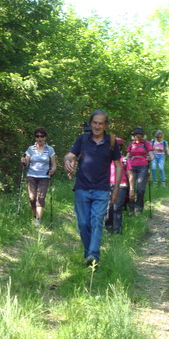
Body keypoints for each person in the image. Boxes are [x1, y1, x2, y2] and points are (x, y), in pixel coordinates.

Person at [64, 110, 122, 268]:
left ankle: (93, 256)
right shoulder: (82, 139)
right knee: (83, 224)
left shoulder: (111, 142)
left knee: (96, 221)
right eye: (95, 122)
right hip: (82, 188)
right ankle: (89, 253)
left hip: (102, 189)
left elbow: (118, 165)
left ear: (106, 125)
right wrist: (67, 162)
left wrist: (116, 189)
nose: (97, 126)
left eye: (100, 123)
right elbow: (70, 155)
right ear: (91, 123)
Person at [21, 127, 57, 227]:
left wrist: (53, 170)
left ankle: (38, 220)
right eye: (37, 136)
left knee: (40, 197)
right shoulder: (30, 149)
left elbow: (54, 164)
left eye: (42, 136)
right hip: (31, 176)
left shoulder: (50, 149)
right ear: (35, 137)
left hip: (44, 176)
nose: (39, 138)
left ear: (45, 137)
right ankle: (35, 216)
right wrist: (24, 161)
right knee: (32, 198)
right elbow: (27, 163)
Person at [125, 126, 154, 215]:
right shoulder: (131, 144)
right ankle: (131, 208)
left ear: (142, 135)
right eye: (136, 134)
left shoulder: (147, 143)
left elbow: (152, 156)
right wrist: (123, 160)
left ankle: (139, 208)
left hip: (143, 167)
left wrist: (149, 158)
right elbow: (127, 156)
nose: (137, 135)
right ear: (133, 135)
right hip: (131, 168)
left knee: (140, 189)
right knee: (131, 188)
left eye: (139, 134)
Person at [105, 138, 130, 234]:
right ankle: (109, 227)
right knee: (108, 208)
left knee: (117, 207)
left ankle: (117, 230)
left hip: (121, 185)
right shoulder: (106, 159)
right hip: (107, 185)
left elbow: (130, 174)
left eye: (118, 146)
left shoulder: (124, 160)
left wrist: (131, 189)